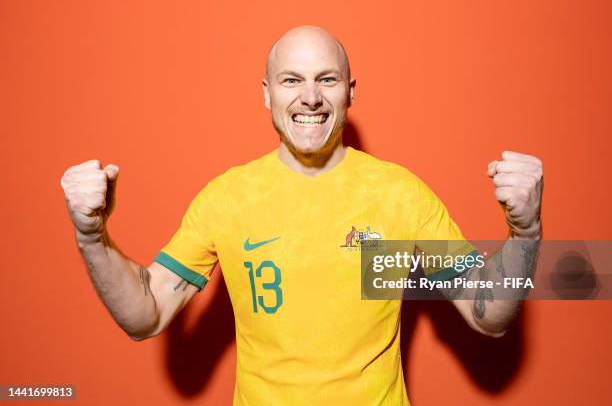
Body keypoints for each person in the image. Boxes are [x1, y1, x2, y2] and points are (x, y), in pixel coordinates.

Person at [60, 25, 543, 405]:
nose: (309, 97)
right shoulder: (228, 199)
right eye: (292, 80)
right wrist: (91, 236)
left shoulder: (400, 195)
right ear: (266, 93)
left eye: (326, 80)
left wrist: (525, 232)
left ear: (350, 92)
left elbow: (489, 315)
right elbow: (146, 315)